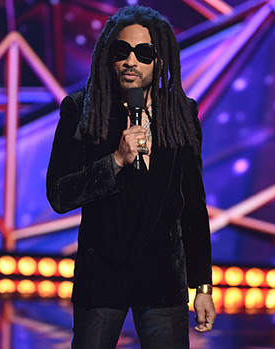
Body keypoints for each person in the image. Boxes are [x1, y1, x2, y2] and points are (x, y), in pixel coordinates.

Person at [46, 6, 215, 348]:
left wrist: (203, 288)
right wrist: (116, 161)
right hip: (102, 277)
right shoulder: (82, 111)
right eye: (122, 51)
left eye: (144, 53)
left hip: (162, 280)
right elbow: (60, 194)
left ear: (160, 59)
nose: (131, 62)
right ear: (109, 56)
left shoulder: (181, 115)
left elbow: (193, 206)